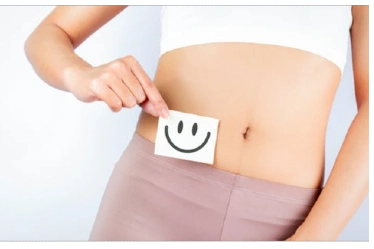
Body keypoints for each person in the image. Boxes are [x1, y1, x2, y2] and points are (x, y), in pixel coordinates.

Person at [24, 4, 369, 241]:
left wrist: (315, 238)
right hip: (153, 199)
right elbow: (50, 32)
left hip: (287, 219)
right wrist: (78, 75)